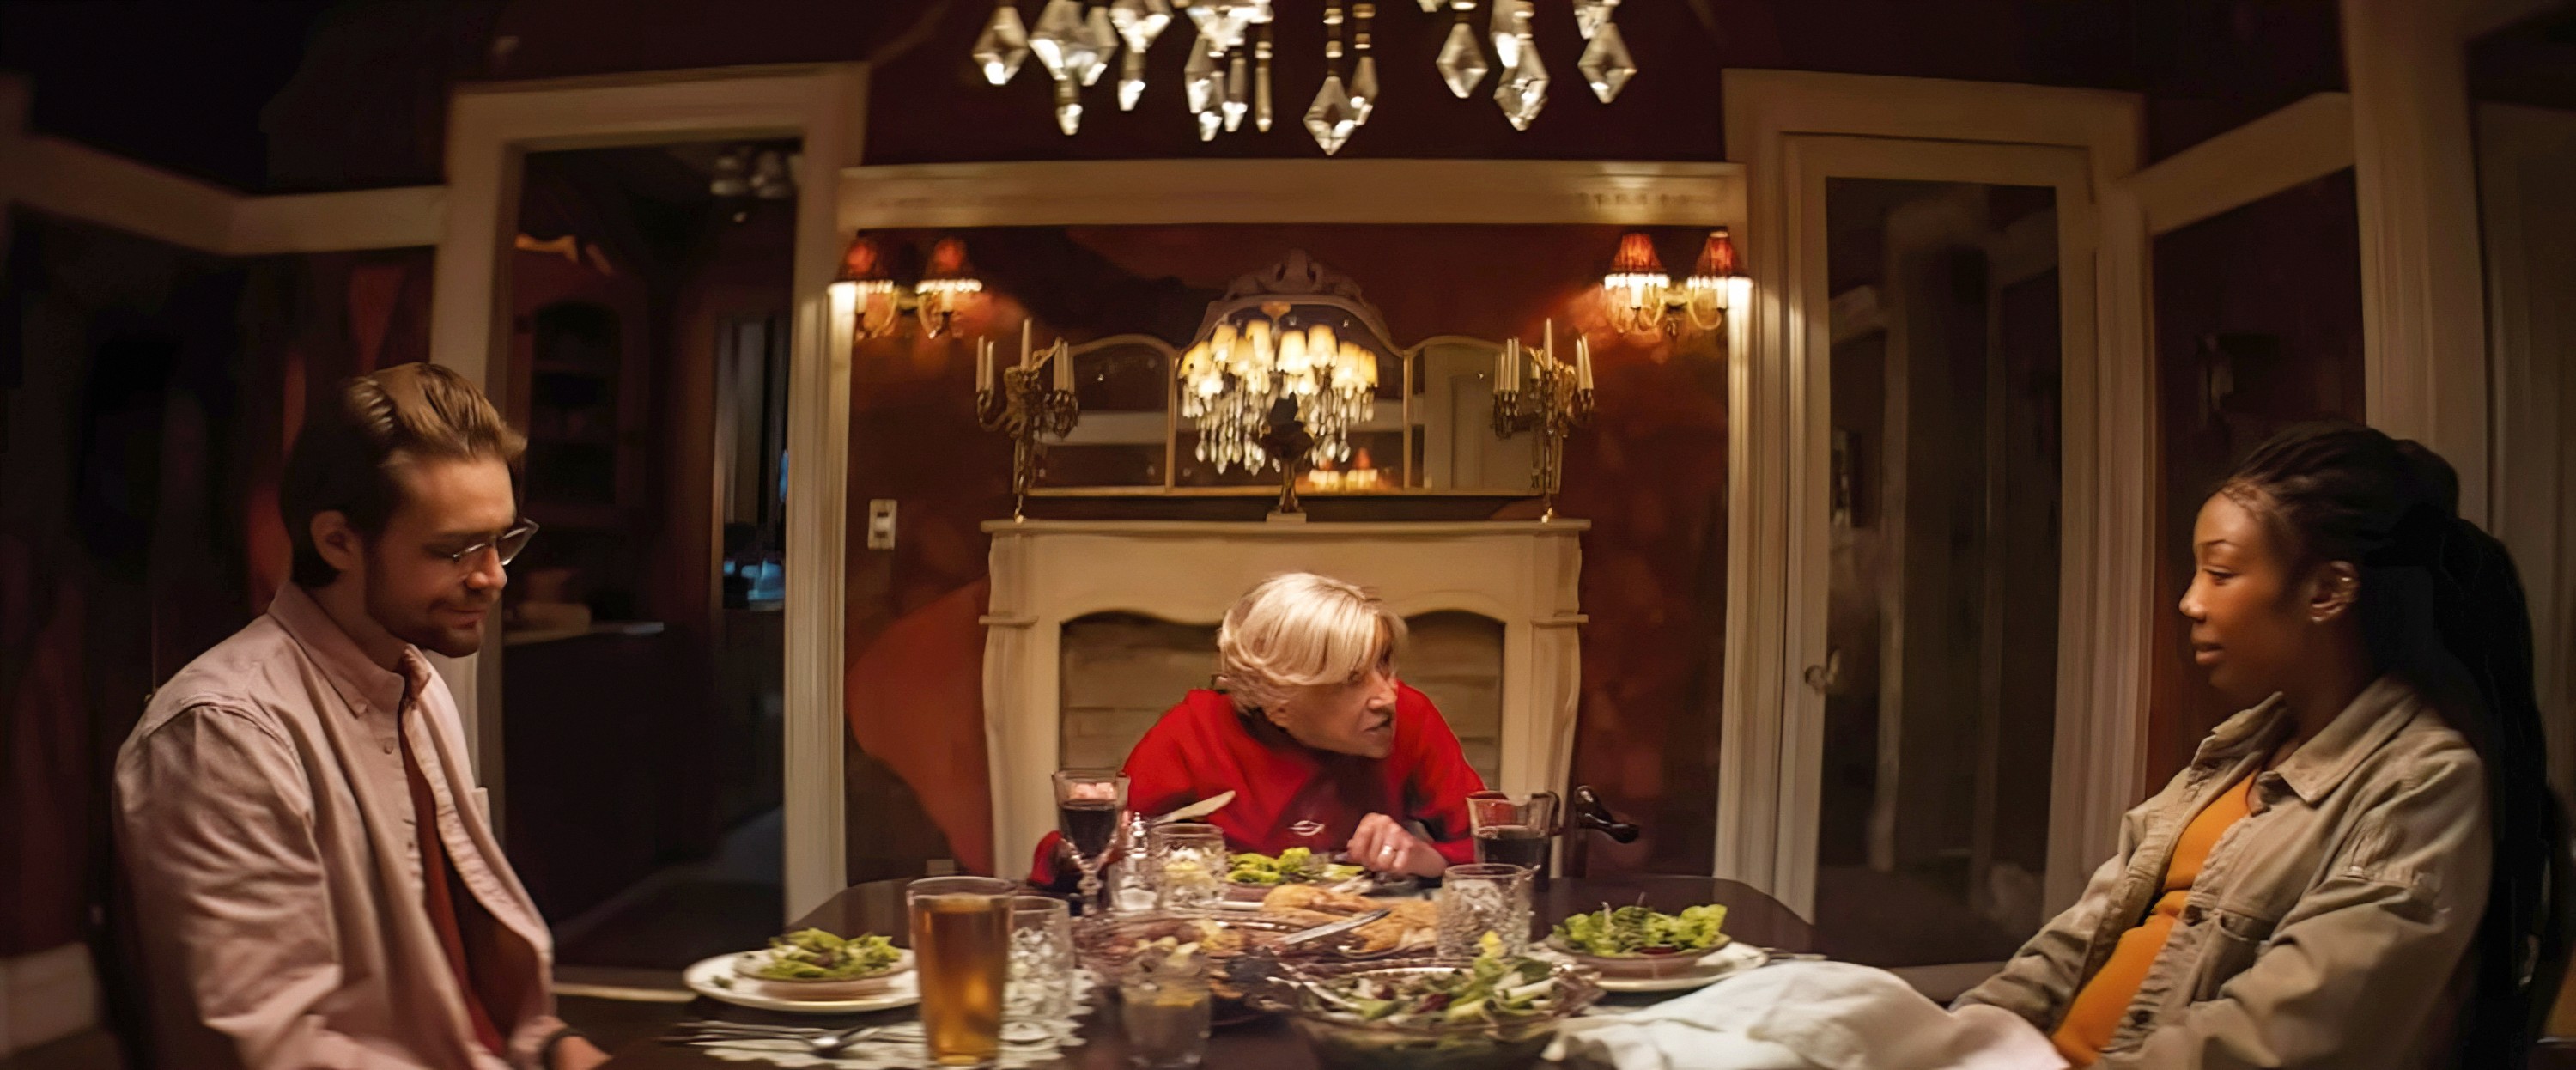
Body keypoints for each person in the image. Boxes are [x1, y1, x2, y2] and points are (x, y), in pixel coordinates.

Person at [1954, 422, 2562, 1068]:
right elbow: (2082, 934)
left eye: (2220, 572)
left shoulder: (2422, 784)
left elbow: (2281, 1041)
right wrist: (1968, 1032)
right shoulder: (2236, 749)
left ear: (2327, 591)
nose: (2190, 602)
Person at [115, 364, 608, 1070]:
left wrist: (555, 1047)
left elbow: (459, 969)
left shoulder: (419, 684)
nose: (494, 575)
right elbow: (267, 1047)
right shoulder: (223, 732)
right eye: (454, 549)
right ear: (338, 541)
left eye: (502, 539)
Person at [1032, 572, 1488, 884]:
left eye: (1384, 667)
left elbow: (1495, 846)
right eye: (1351, 679)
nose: (1387, 697)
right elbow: (1087, 863)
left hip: (1363, 951)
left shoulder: (1410, 716)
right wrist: (1084, 844)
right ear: (1277, 701)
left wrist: (1424, 859)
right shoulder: (1194, 733)